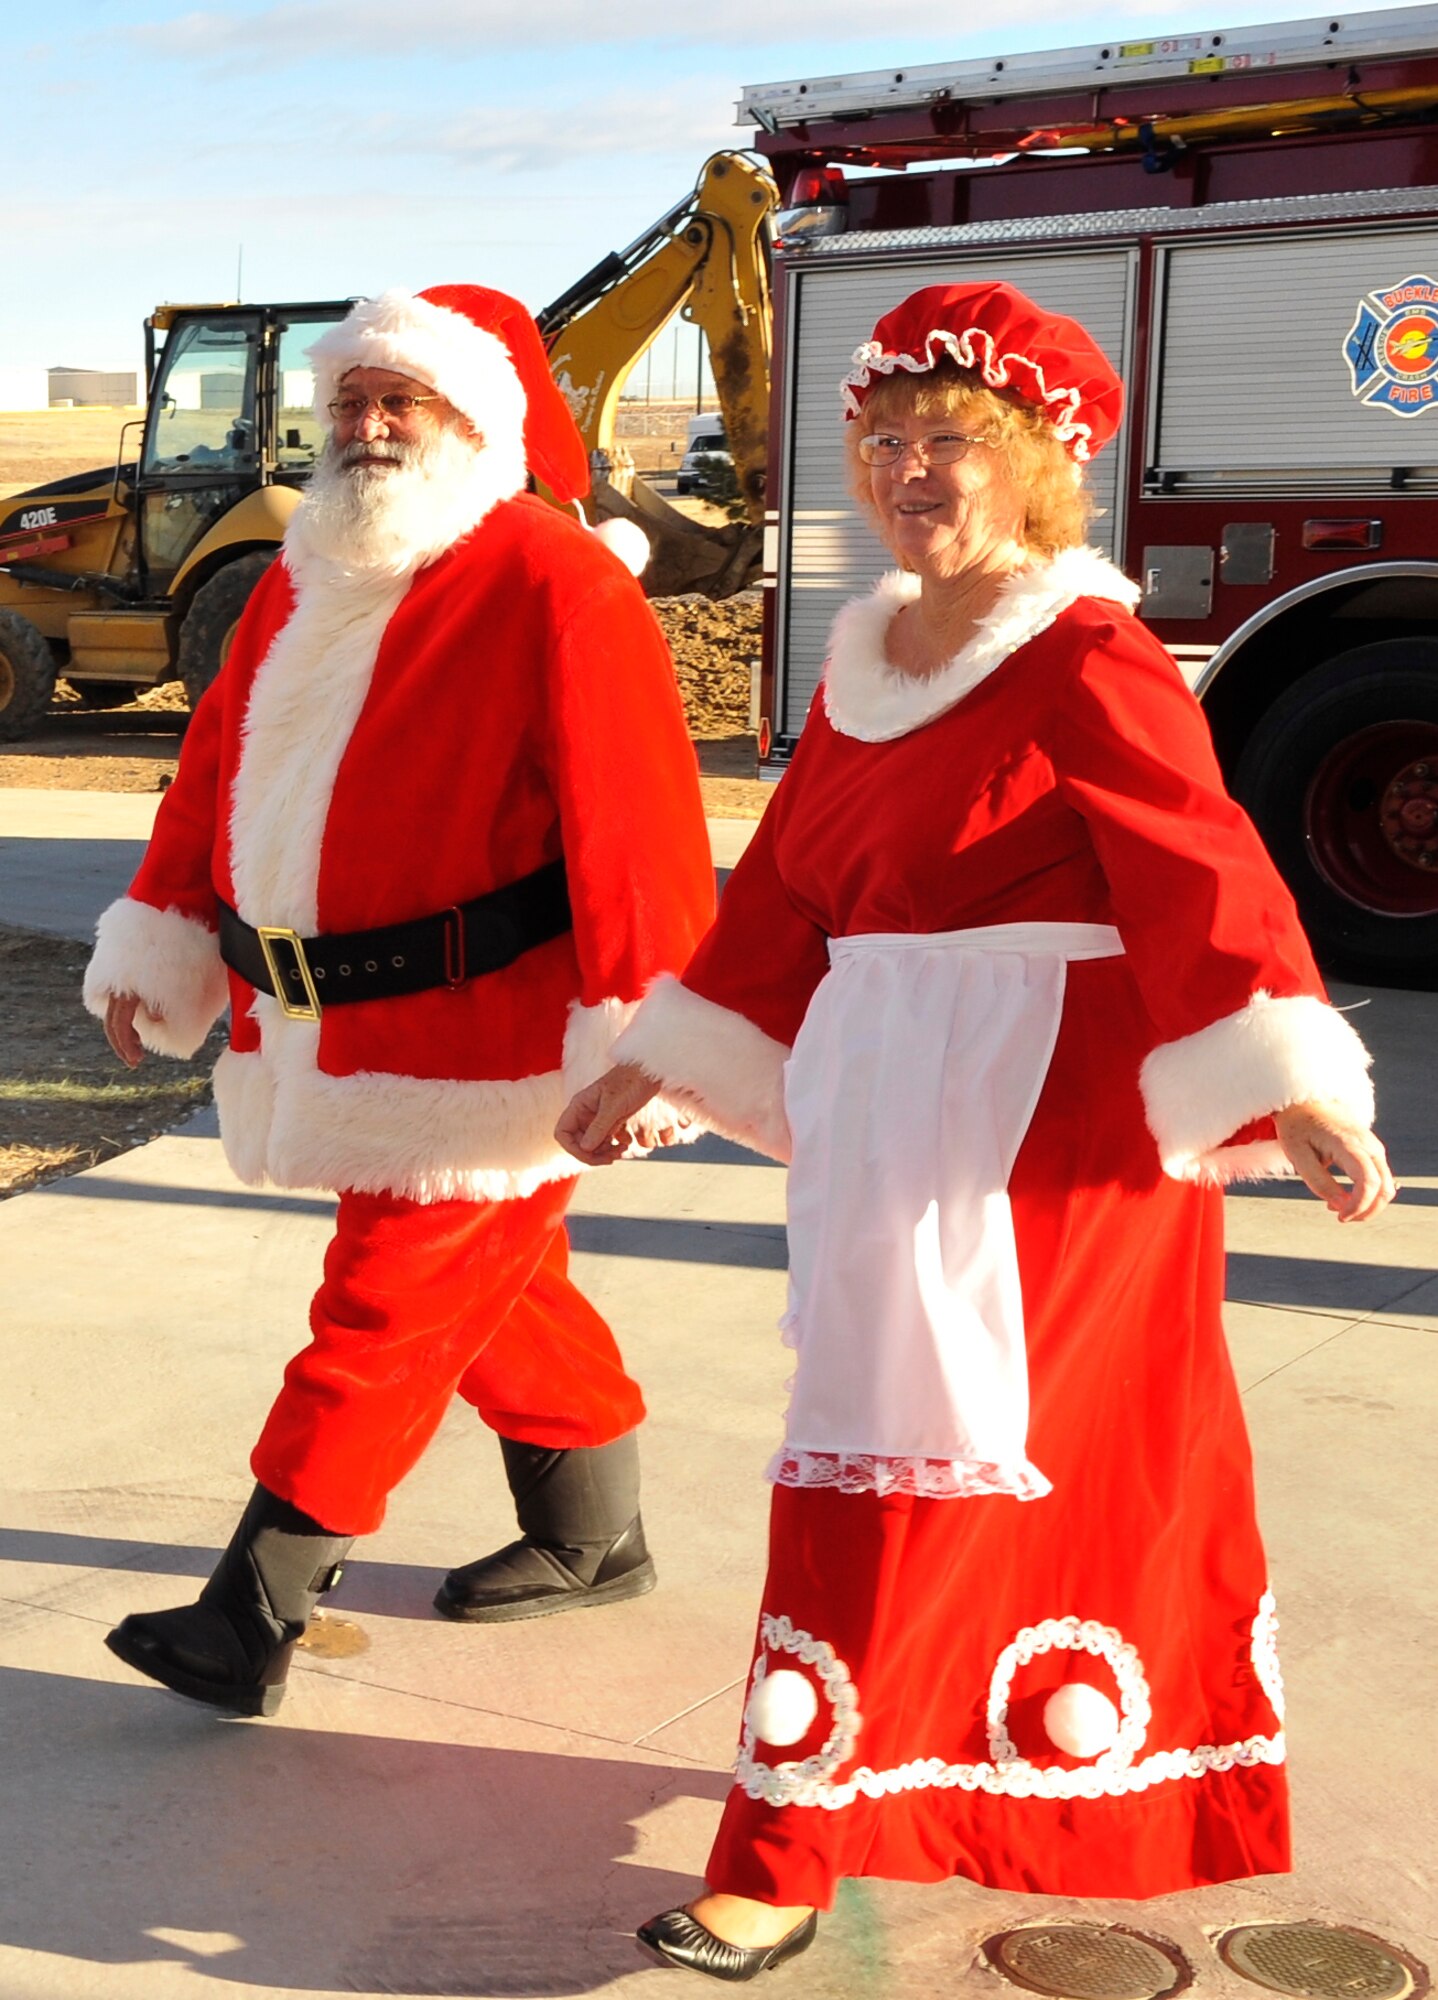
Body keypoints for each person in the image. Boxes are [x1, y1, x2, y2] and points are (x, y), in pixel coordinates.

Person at [558, 280, 1395, 1981]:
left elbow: (1199, 865)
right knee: (939, 1466)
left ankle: (783, 1848)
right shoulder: (868, 660)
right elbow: (788, 887)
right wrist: (662, 1057)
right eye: (883, 441)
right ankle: (922, 1777)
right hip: (895, 1118)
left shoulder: (1085, 653)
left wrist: (1292, 1085)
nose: (910, 469)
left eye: (951, 439)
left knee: (912, 1474)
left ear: (1033, 468)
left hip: (1050, 1143)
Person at [84, 284, 714, 1719]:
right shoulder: (305, 574)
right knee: (492, 1285)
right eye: (352, 402)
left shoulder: (556, 582)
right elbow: (216, 775)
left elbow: (641, 825)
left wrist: (652, 1037)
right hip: (324, 1030)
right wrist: (161, 935)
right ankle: (592, 1536)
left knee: (380, 1309)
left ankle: (251, 1614)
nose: (366, 429)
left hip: (488, 1038)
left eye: (400, 401)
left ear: (473, 417)